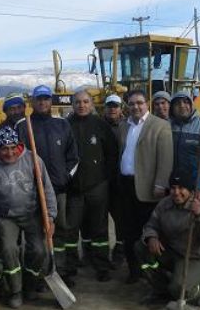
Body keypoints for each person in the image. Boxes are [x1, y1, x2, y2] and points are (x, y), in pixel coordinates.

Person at [0, 126, 57, 308]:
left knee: (38, 251)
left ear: (18, 145)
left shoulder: (33, 160)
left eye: (12, 147)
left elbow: (47, 189)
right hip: (6, 217)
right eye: (4, 149)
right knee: (9, 250)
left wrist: (50, 216)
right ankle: (16, 291)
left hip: (33, 212)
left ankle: (30, 285)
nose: (9, 152)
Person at [16, 85, 79, 286]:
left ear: (51, 101)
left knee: (58, 230)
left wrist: (65, 178)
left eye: (46, 99)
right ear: (32, 102)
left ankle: (58, 270)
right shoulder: (23, 125)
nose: (42, 102)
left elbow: (73, 157)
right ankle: (37, 274)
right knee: (34, 234)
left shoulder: (62, 125)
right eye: (39, 99)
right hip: (32, 192)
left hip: (58, 190)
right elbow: (14, 158)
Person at [135, 175, 200, 306]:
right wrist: (151, 237)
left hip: (198, 257)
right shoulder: (164, 204)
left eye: (181, 188)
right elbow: (151, 225)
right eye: (173, 188)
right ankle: (161, 290)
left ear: (191, 191)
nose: (176, 192)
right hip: (173, 252)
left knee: (179, 291)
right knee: (140, 247)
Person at [116, 90, 173, 283]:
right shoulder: (124, 126)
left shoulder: (160, 126)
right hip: (125, 186)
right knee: (128, 232)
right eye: (131, 104)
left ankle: (153, 275)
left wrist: (160, 183)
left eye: (139, 103)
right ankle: (134, 271)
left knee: (148, 233)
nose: (136, 107)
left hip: (148, 189)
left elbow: (166, 159)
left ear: (147, 103)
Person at [66, 90, 118, 282]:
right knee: (71, 230)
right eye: (78, 102)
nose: (82, 105)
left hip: (97, 186)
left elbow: (112, 154)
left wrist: (106, 178)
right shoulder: (66, 126)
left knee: (100, 229)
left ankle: (102, 266)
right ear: (72, 104)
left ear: (91, 104)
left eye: (86, 101)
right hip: (73, 189)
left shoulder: (101, 125)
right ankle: (70, 268)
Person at [103, 94, 125, 266]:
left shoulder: (127, 126)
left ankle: (119, 250)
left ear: (120, 108)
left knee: (120, 218)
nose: (112, 109)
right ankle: (100, 253)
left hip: (120, 181)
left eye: (115, 106)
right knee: (100, 219)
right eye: (109, 106)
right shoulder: (98, 125)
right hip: (102, 180)